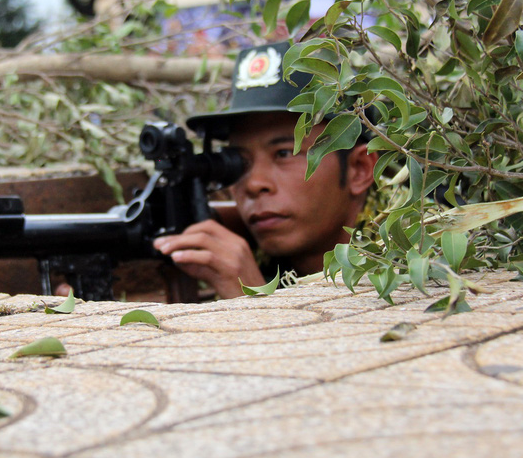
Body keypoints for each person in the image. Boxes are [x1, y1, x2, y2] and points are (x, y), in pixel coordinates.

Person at [152, 41, 378, 299]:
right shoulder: (248, 252)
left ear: (359, 169)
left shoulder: (414, 262)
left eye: (284, 153)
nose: (253, 183)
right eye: (238, 160)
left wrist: (253, 299)